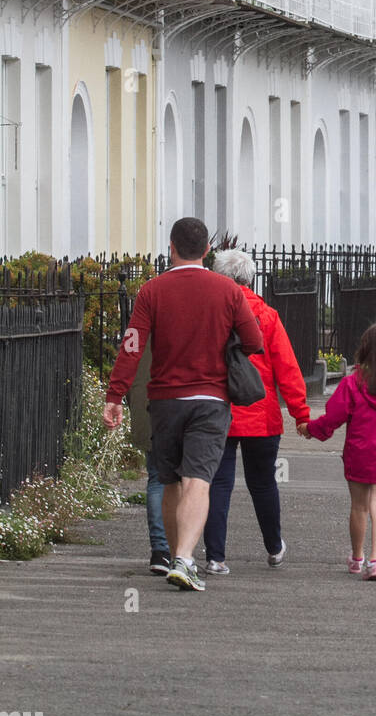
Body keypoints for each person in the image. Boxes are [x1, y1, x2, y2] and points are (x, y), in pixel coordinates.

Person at [103, 217, 262, 592]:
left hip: (165, 400)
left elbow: (132, 346)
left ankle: (176, 555)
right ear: (207, 251)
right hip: (210, 398)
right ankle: (185, 559)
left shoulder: (151, 291)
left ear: (170, 247)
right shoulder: (229, 291)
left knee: (170, 479)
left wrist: (115, 396)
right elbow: (253, 341)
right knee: (198, 480)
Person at [202, 249, 311, 575]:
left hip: (218, 410)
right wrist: (300, 413)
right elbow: (287, 368)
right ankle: (274, 547)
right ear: (250, 279)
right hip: (260, 413)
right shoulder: (267, 315)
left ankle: (215, 557)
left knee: (218, 484)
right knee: (263, 483)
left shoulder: (210, 316)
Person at [300, 324, 376, 581]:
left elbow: (334, 418)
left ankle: (356, 557)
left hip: (360, 453)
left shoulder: (353, 383)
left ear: (365, 348)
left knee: (359, 508)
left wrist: (311, 429)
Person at [127, 338, 171, 576]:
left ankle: (160, 550)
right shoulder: (184, 315)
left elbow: (128, 358)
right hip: (178, 404)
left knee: (156, 479)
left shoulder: (143, 319)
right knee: (189, 480)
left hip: (147, 401)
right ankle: (179, 549)